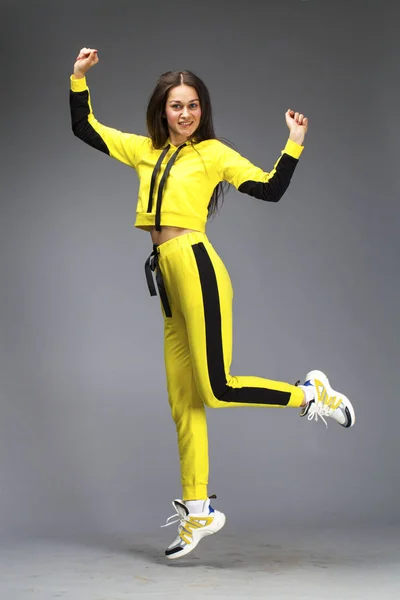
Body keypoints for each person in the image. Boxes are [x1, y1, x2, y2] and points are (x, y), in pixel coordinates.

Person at [69, 47, 356, 560]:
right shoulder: (142, 149)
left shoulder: (214, 154)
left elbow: (270, 190)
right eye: (176, 105)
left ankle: (313, 395)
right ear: (162, 110)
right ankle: (199, 510)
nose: (185, 113)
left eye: (193, 105)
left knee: (217, 386)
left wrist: (293, 144)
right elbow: (85, 128)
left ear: (203, 110)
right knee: (184, 400)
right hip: (166, 277)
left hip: (196, 265)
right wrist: (78, 78)